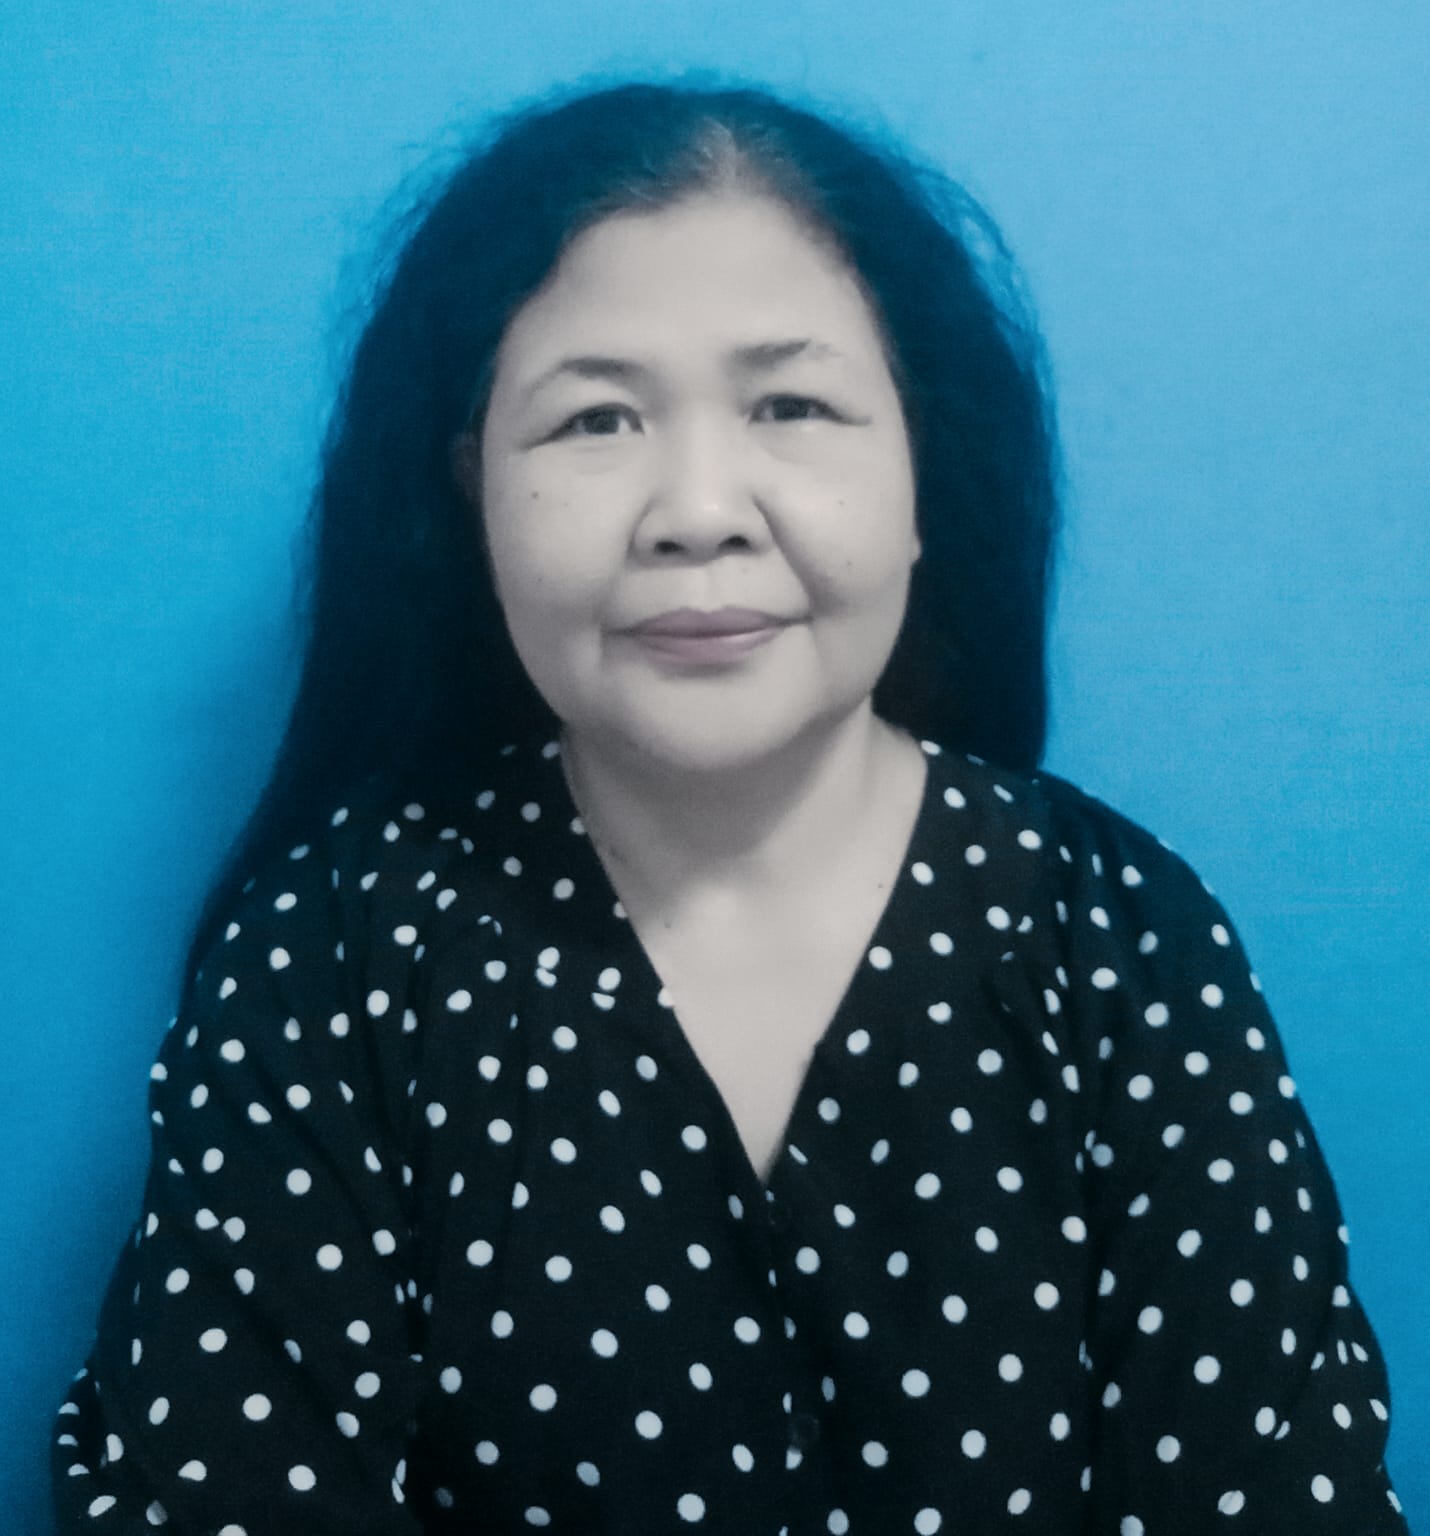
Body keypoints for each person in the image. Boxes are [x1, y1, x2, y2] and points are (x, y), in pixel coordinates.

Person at [51, 72, 1409, 1535]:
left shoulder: (1121, 946)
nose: (697, 511)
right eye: (595, 421)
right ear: (471, 488)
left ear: (922, 472)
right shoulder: (331, 956)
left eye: (792, 404)